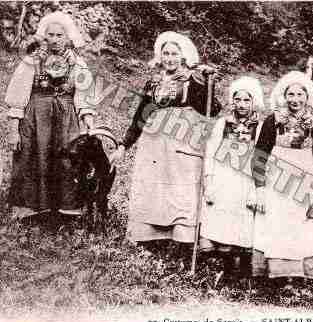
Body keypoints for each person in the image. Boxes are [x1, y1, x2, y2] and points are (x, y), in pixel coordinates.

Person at [109, 31, 221, 263]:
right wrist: (123, 145)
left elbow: (213, 109)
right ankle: (152, 240)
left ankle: (182, 244)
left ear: (183, 56)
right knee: (154, 190)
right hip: (154, 146)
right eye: (165, 53)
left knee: (181, 192)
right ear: (160, 56)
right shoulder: (153, 82)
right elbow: (141, 116)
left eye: (174, 53)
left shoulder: (194, 80)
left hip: (183, 142)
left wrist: (209, 83)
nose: (169, 58)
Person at [4, 11, 96, 219]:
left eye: (59, 35)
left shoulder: (77, 64)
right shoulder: (31, 62)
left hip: (66, 119)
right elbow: (17, 97)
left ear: (68, 37)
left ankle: (65, 208)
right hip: (35, 119)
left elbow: (84, 98)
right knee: (32, 157)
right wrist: (13, 131)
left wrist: (89, 126)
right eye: (50, 35)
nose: (54, 40)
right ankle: (30, 209)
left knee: (67, 160)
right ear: (44, 37)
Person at [251, 71, 313, 280]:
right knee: (276, 222)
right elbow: (259, 156)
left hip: (305, 180)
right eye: (290, 95)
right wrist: (259, 188)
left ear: (307, 97)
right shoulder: (272, 121)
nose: (295, 100)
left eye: (299, 95)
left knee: (303, 223)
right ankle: (275, 275)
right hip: (277, 179)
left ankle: (301, 276)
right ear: (283, 96)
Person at [199, 76, 265, 283]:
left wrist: (256, 189)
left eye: (247, 100)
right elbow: (210, 152)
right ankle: (215, 268)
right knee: (218, 219)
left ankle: (238, 272)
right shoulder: (222, 123)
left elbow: (262, 159)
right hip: (222, 178)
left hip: (245, 180)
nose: (242, 105)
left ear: (254, 102)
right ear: (232, 101)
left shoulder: (261, 127)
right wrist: (208, 182)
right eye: (238, 100)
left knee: (241, 223)